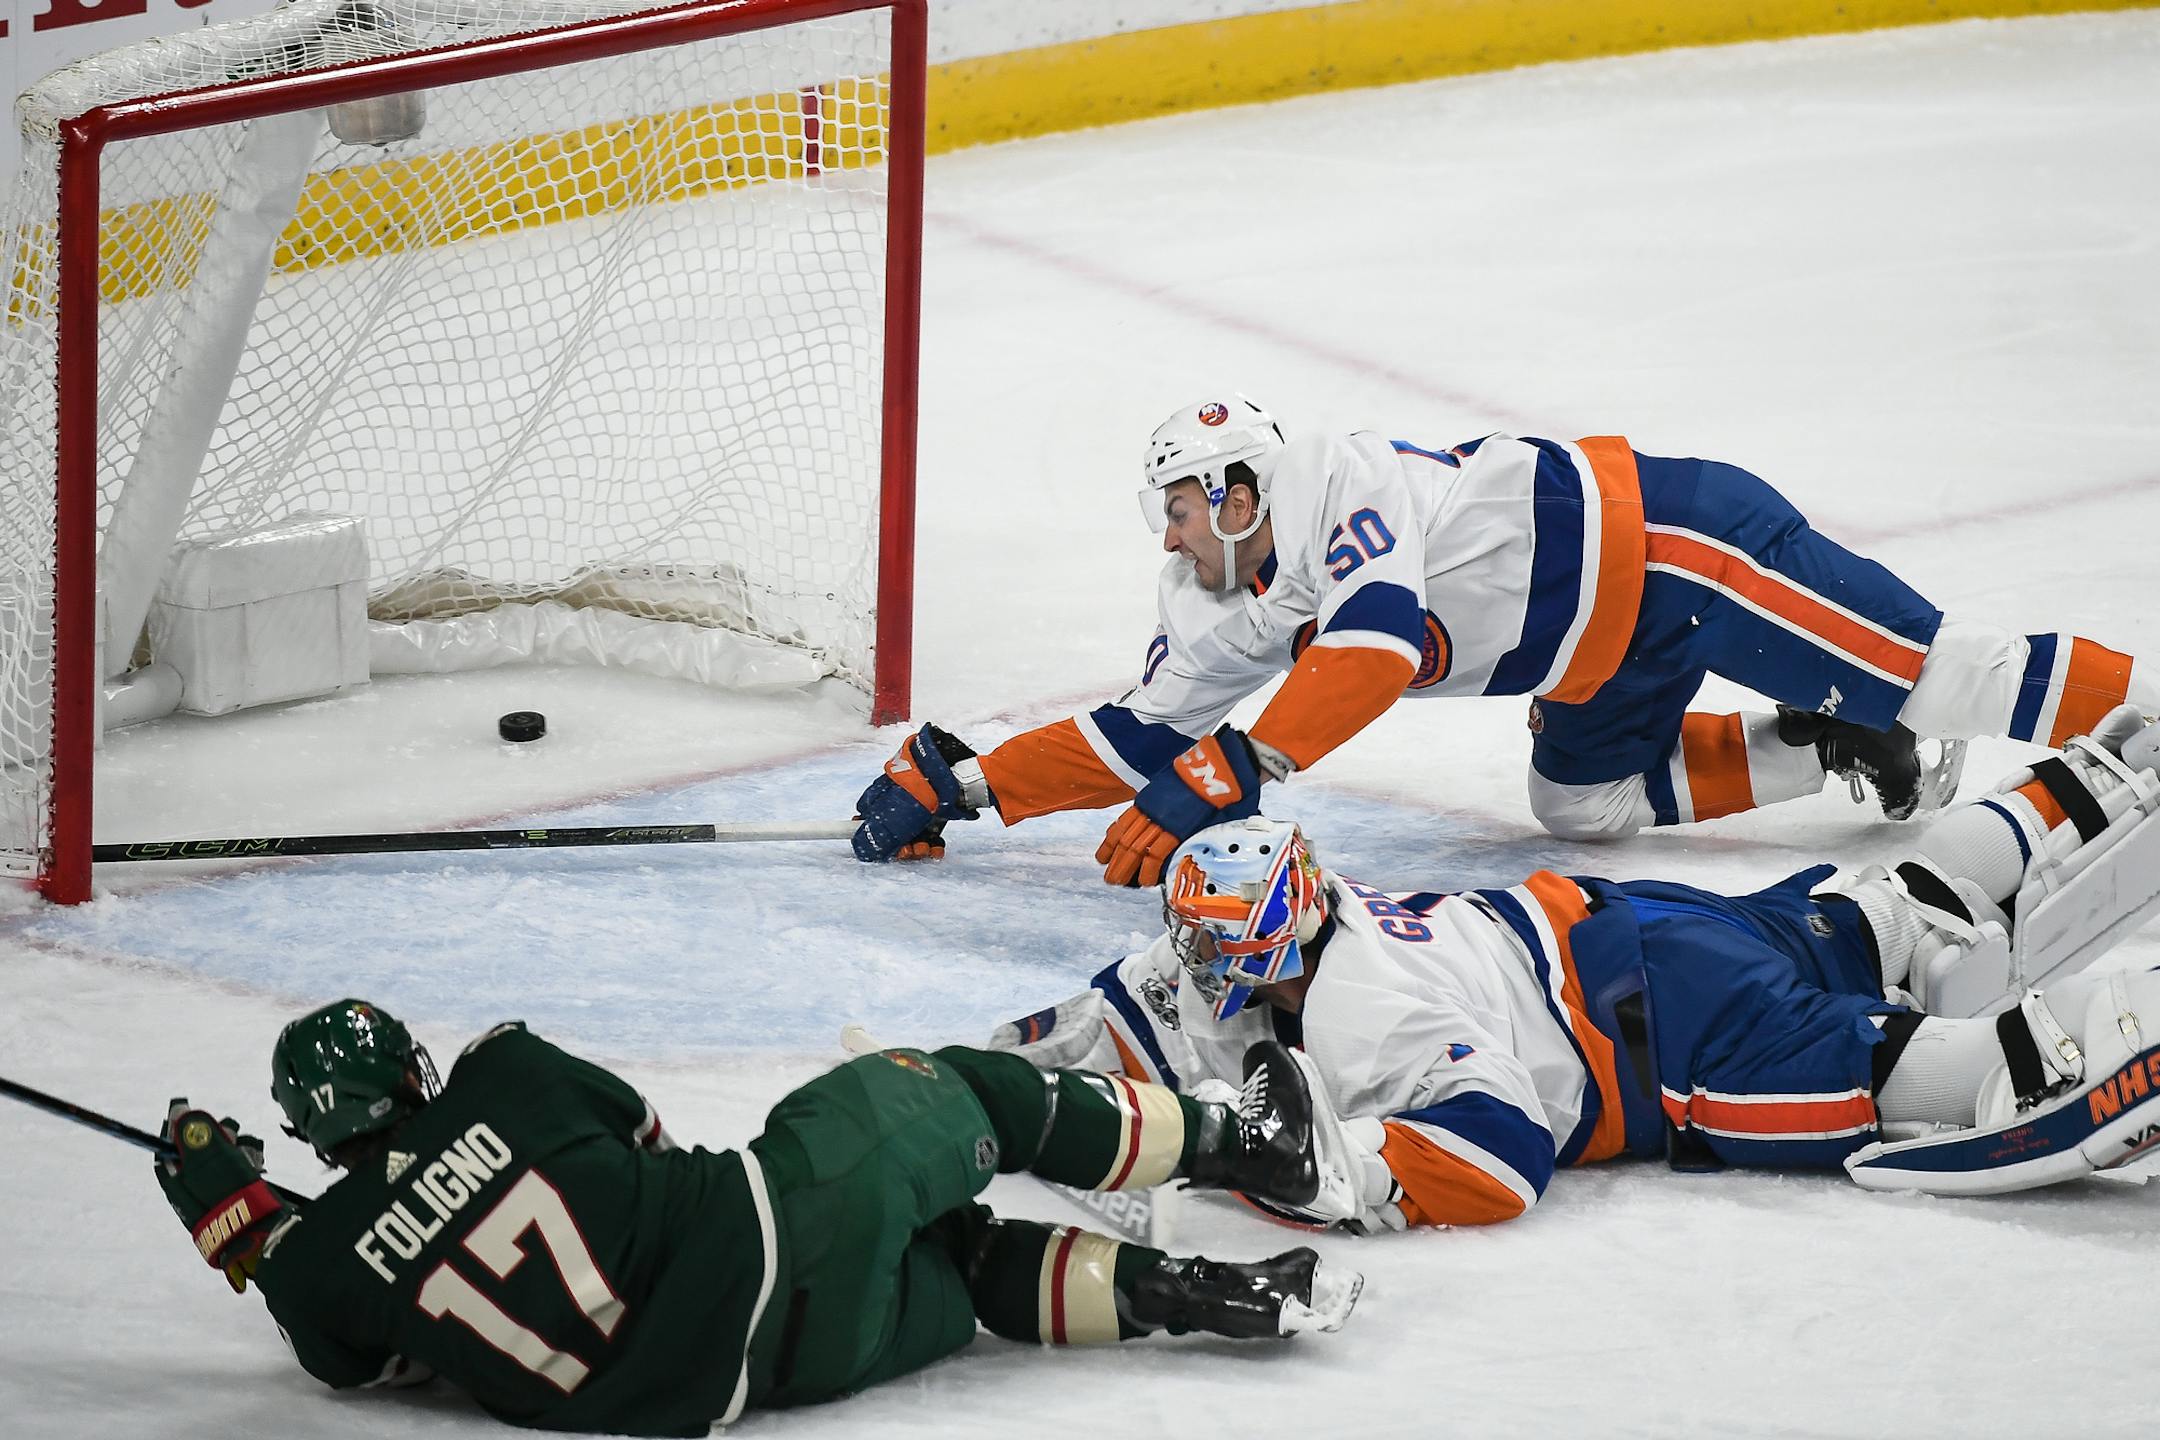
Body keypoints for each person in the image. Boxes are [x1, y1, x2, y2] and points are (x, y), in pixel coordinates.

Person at [850, 397, 2157, 883]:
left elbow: (1374, 648)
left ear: (1240, 491)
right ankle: (1836, 744)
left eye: (1181, 508)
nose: (1170, 537)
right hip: (1597, 654)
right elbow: (1138, 735)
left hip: (1679, 551)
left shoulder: (1340, 479)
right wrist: (968, 787)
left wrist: (1243, 765)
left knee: (1946, 677)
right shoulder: (1217, 603)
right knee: (1581, 803)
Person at [985, 705, 2160, 1226]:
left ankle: (2115, 1031)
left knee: (1918, 1069)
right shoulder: (1327, 916)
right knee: (1895, 911)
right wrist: (997, 1073)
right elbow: (1126, 1010)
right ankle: (2098, 781)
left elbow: (1504, 1153)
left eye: (1207, 939)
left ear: (1262, 942)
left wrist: (1352, 1172)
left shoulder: (1360, 1011)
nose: (1189, 956)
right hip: (1648, 927)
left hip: (1672, 1036)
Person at [151, 1011, 1362, 1434]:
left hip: (760, 1383)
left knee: (968, 1259)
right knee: (973, 1089)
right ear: (409, 1073)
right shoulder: (503, 1073)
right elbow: (646, 1136)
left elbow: (361, 1357)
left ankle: (1201, 1295)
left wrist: (245, 1224)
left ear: (317, 1137)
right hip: (784, 1219)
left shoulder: (320, 1272)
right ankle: (1244, 1141)